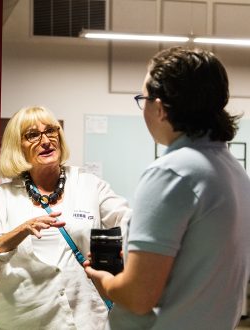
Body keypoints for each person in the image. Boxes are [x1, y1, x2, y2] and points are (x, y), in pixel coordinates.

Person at [84, 46, 250, 330]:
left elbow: (138, 297)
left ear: (160, 108)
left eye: (143, 99)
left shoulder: (171, 172)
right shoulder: (234, 171)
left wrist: (104, 281)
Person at [0, 105, 131, 329]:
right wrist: (22, 230)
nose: (45, 140)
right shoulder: (1, 197)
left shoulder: (88, 185)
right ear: (17, 147)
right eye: (33, 135)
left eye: (51, 131)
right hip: (20, 320)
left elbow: (128, 222)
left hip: (84, 318)